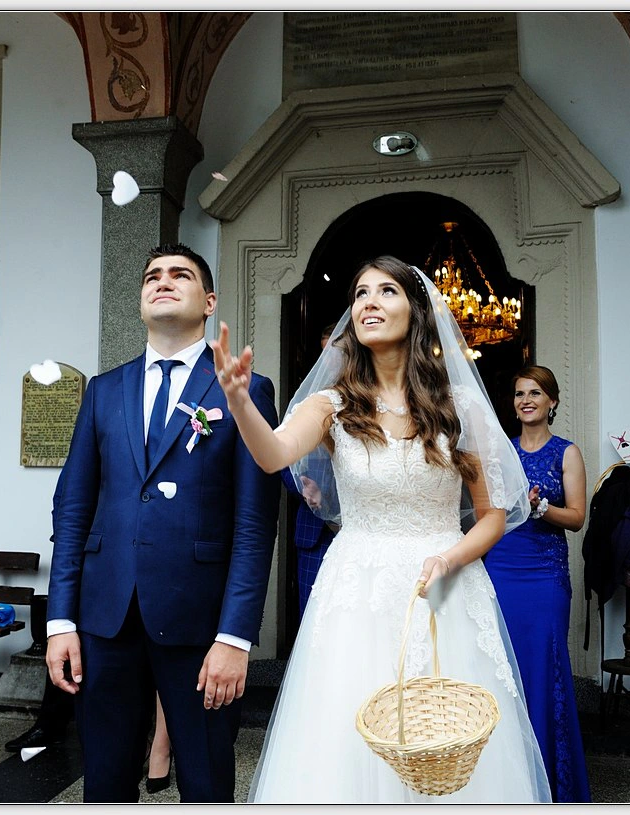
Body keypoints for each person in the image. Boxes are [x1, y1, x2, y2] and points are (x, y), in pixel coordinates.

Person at [214, 255, 551, 803]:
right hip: (357, 592)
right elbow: (274, 453)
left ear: (416, 311)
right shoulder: (332, 405)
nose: (369, 302)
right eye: (360, 293)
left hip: (444, 590)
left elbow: (492, 515)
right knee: (346, 739)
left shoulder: (459, 407)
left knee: (450, 740)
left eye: (386, 290)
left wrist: (450, 558)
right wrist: (239, 403)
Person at [45, 243, 280, 803]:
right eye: (152, 276)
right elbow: (73, 510)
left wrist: (235, 637)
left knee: (205, 784)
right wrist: (60, 621)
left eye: (180, 275)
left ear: (209, 302)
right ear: (141, 300)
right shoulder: (104, 390)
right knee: (105, 783)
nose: (163, 282)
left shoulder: (245, 389)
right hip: (105, 619)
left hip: (200, 624)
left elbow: (255, 524)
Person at [485, 365, 591, 802]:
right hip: (500, 567)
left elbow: (578, 517)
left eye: (534, 393)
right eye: (519, 394)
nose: (526, 400)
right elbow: (484, 512)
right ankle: (502, 781)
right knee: (499, 668)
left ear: (552, 401)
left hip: (544, 575)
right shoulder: (500, 452)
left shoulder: (566, 453)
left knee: (543, 669)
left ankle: (548, 778)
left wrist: (541, 507)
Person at [280, 322, 338, 619]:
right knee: (313, 621)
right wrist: (303, 486)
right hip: (314, 534)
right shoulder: (307, 402)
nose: (329, 362)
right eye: (324, 354)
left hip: (364, 530)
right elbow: (283, 458)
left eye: (336, 353)